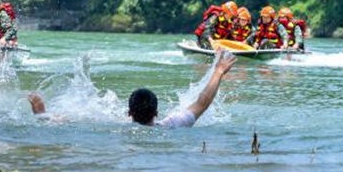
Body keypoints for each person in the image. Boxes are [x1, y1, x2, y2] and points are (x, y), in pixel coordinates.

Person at [29, 49, 237, 128]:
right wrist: (218, 72)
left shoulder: (114, 126)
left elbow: (69, 121)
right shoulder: (172, 125)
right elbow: (202, 103)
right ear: (157, 113)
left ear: (128, 113)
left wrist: (42, 115)